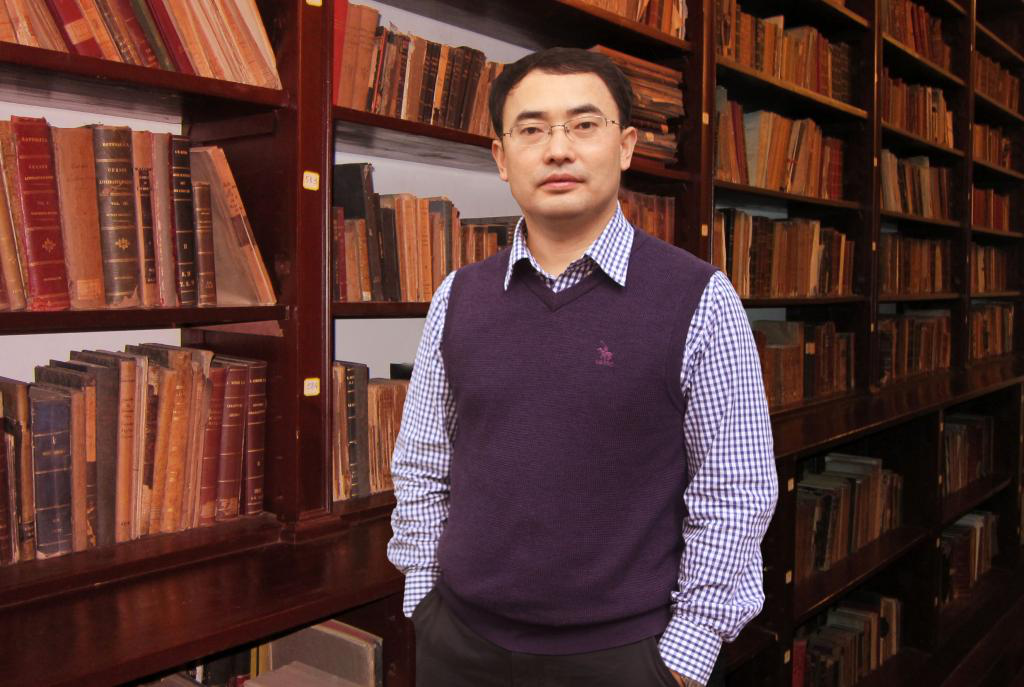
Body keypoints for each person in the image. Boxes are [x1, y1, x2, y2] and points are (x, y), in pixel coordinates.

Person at [387, 47, 778, 687]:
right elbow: (424, 463)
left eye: (584, 125)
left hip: (627, 655)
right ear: (501, 157)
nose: (558, 150)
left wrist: (685, 655)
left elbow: (734, 489)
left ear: (625, 147)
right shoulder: (458, 296)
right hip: (458, 642)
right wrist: (423, 598)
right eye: (532, 129)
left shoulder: (699, 298)